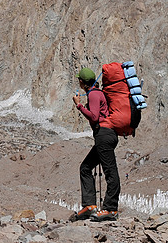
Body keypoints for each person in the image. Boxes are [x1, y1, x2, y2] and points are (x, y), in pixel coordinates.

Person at [71, 67, 120, 222]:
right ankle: (89, 206)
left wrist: (79, 106)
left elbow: (93, 117)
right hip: (106, 136)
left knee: (110, 173)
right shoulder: (98, 92)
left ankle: (110, 209)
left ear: (81, 81)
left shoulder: (93, 94)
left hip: (103, 136)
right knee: (85, 168)